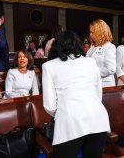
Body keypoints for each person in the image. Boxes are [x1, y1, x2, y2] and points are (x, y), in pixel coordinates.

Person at [42, 30, 110, 158]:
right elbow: (98, 94)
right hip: (97, 117)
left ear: (58, 45)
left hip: (70, 120)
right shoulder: (90, 62)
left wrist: (63, 113)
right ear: (77, 44)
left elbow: (49, 105)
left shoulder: (49, 66)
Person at [86, 19, 116, 87]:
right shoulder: (92, 46)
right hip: (92, 83)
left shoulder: (109, 46)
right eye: (90, 32)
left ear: (100, 32)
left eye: (93, 32)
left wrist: (92, 72)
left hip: (104, 84)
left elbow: (111, 69)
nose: (90, 35)